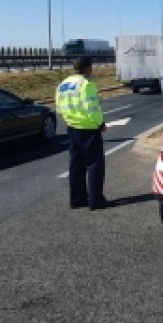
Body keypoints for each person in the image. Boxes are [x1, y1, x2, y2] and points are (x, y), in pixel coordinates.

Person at [55, 57, 109, 210]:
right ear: (86, 68)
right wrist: (100, 123)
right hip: (89, 128)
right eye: (91, 67)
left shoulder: (63, 84)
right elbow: (91, 107)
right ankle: (95, 200)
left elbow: (59, 108)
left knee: (76, 165)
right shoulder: (86, 84)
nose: (91, 70)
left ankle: (77, 199)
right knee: (94, 164)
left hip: (72, 128)